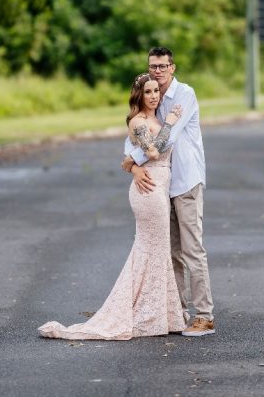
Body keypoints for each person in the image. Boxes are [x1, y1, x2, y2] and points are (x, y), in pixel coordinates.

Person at [39, 74, 187, 339]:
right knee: (149, 249)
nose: (154, 96)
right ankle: (144, 314)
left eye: (156, 91)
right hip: (148, 191)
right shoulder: (138, 122)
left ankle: (161, 314)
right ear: (138, 95)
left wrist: (131, 163)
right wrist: (170, 124)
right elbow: (152, 152)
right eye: (148, 92)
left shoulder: (155, 118)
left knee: (159, 250)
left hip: (160, 188)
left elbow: (135, 156)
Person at [121, 47, 215, 337]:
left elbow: (162, 143)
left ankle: (204, 316)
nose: (157, 71)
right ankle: (176, 312)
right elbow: (133, 141)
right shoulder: (151, 97)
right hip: (159, 187)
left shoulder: (184, 95)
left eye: (163, 66)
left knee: (191, 249)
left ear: (173, 68)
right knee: (170, 252)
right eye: (153, 66)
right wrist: (133, 167)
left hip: (185, 182)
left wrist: (130, 162)